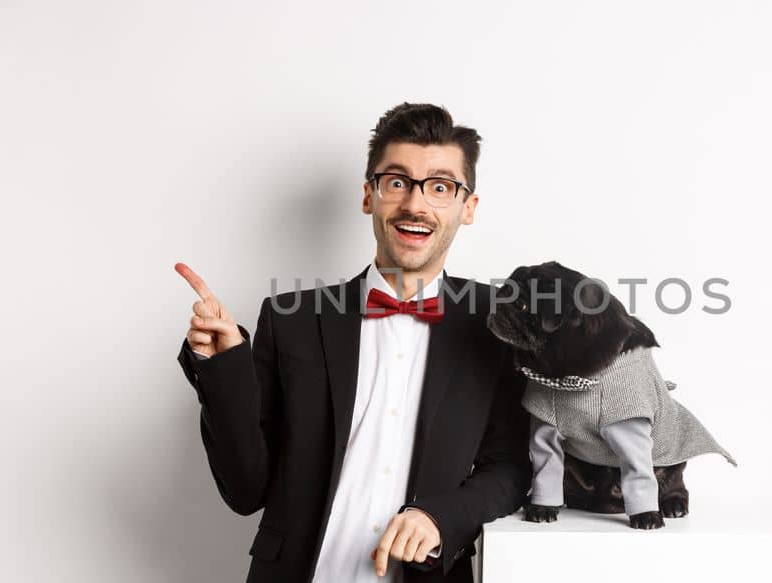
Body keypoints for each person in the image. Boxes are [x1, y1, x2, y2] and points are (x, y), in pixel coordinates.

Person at [172, 103, 530, 583]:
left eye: (440, 187)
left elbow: (510, 469)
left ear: (468, 208)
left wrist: (441, 517)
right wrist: (223, 367)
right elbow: (245, 490)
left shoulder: (498, 321)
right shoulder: (290, 319)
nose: (415, 205)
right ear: (370, 195)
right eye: (397, 182)